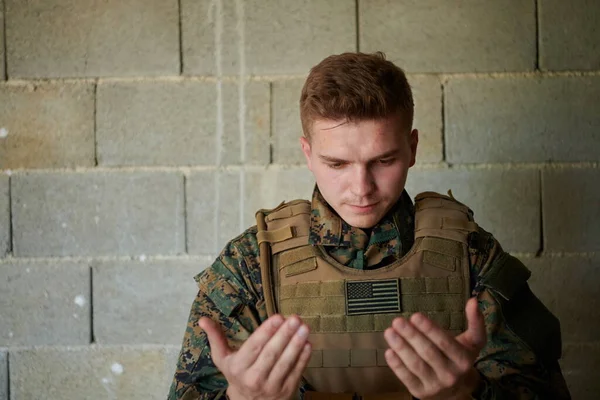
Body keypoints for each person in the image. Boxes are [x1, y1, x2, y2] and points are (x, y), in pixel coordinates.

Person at [167, 52, 571, 400]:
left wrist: (468, 392)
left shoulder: (471, 255)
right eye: (337, 164)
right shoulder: (251, 265)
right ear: (307, 153)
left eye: (383, 160)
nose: (361, 188)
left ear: (412, 148)